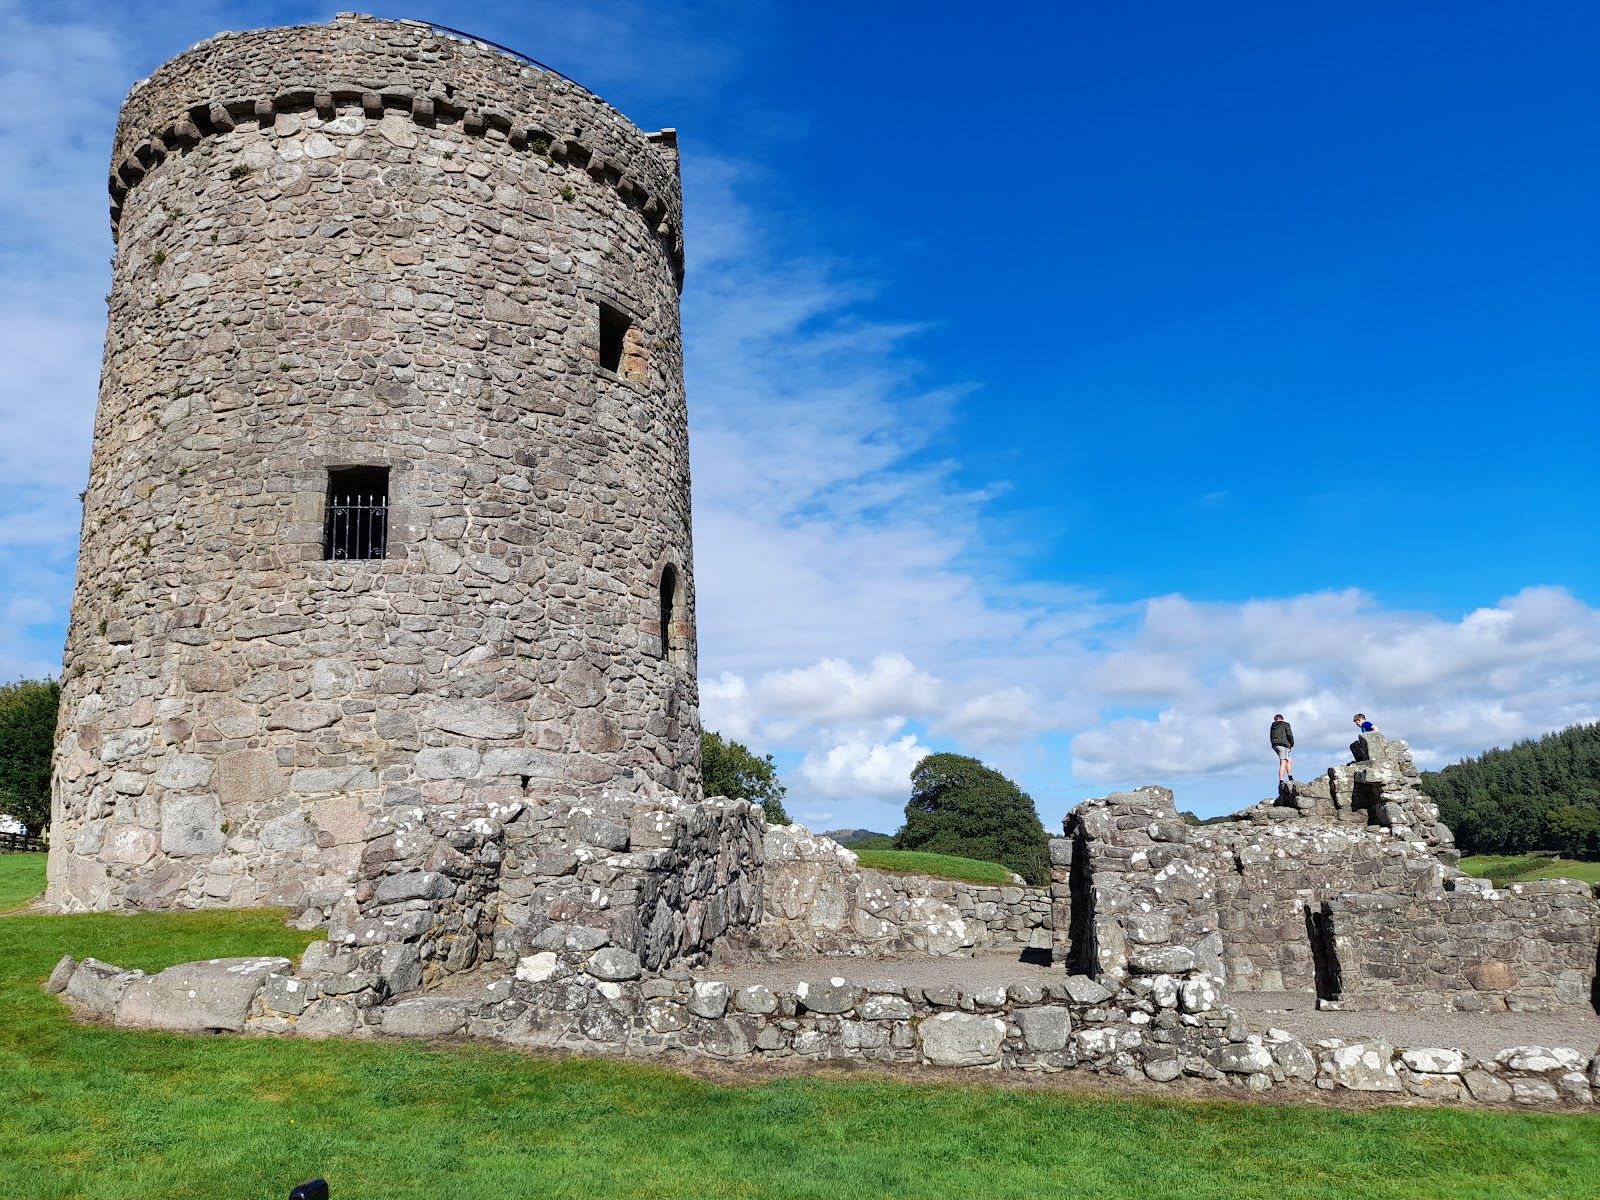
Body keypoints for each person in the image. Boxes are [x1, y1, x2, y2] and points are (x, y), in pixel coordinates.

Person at [1270, 713, 1294, 783]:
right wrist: (1292, 743)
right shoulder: (1285, 724)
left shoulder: (1273, 726)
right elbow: (1289, 734)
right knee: (1283, 762)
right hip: (1283, 744)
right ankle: (1281, 781)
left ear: (1275, 719)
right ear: (1282, 719)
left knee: (1289, 760)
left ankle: (1290, 777)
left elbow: (1271, 736)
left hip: (1275, 745)